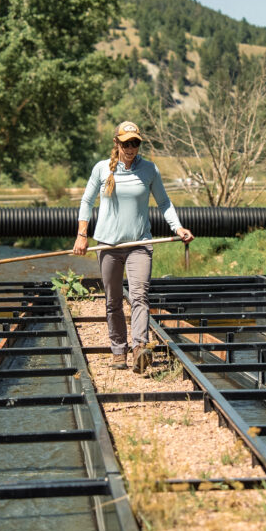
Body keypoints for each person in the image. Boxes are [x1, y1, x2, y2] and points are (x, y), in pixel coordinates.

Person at [74, 121, 193, 372]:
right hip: (108, 245)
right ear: (116, 143)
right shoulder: (101, 169)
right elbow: (87, 201)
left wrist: (177, 227)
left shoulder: (149, 170)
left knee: (139, 295)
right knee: (113, 300)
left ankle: (140, 347)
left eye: (135, 143)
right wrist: (82, 234)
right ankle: (119, 350)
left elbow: (164, 203)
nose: (130, 148)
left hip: (140, 243)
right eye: (126, 143)